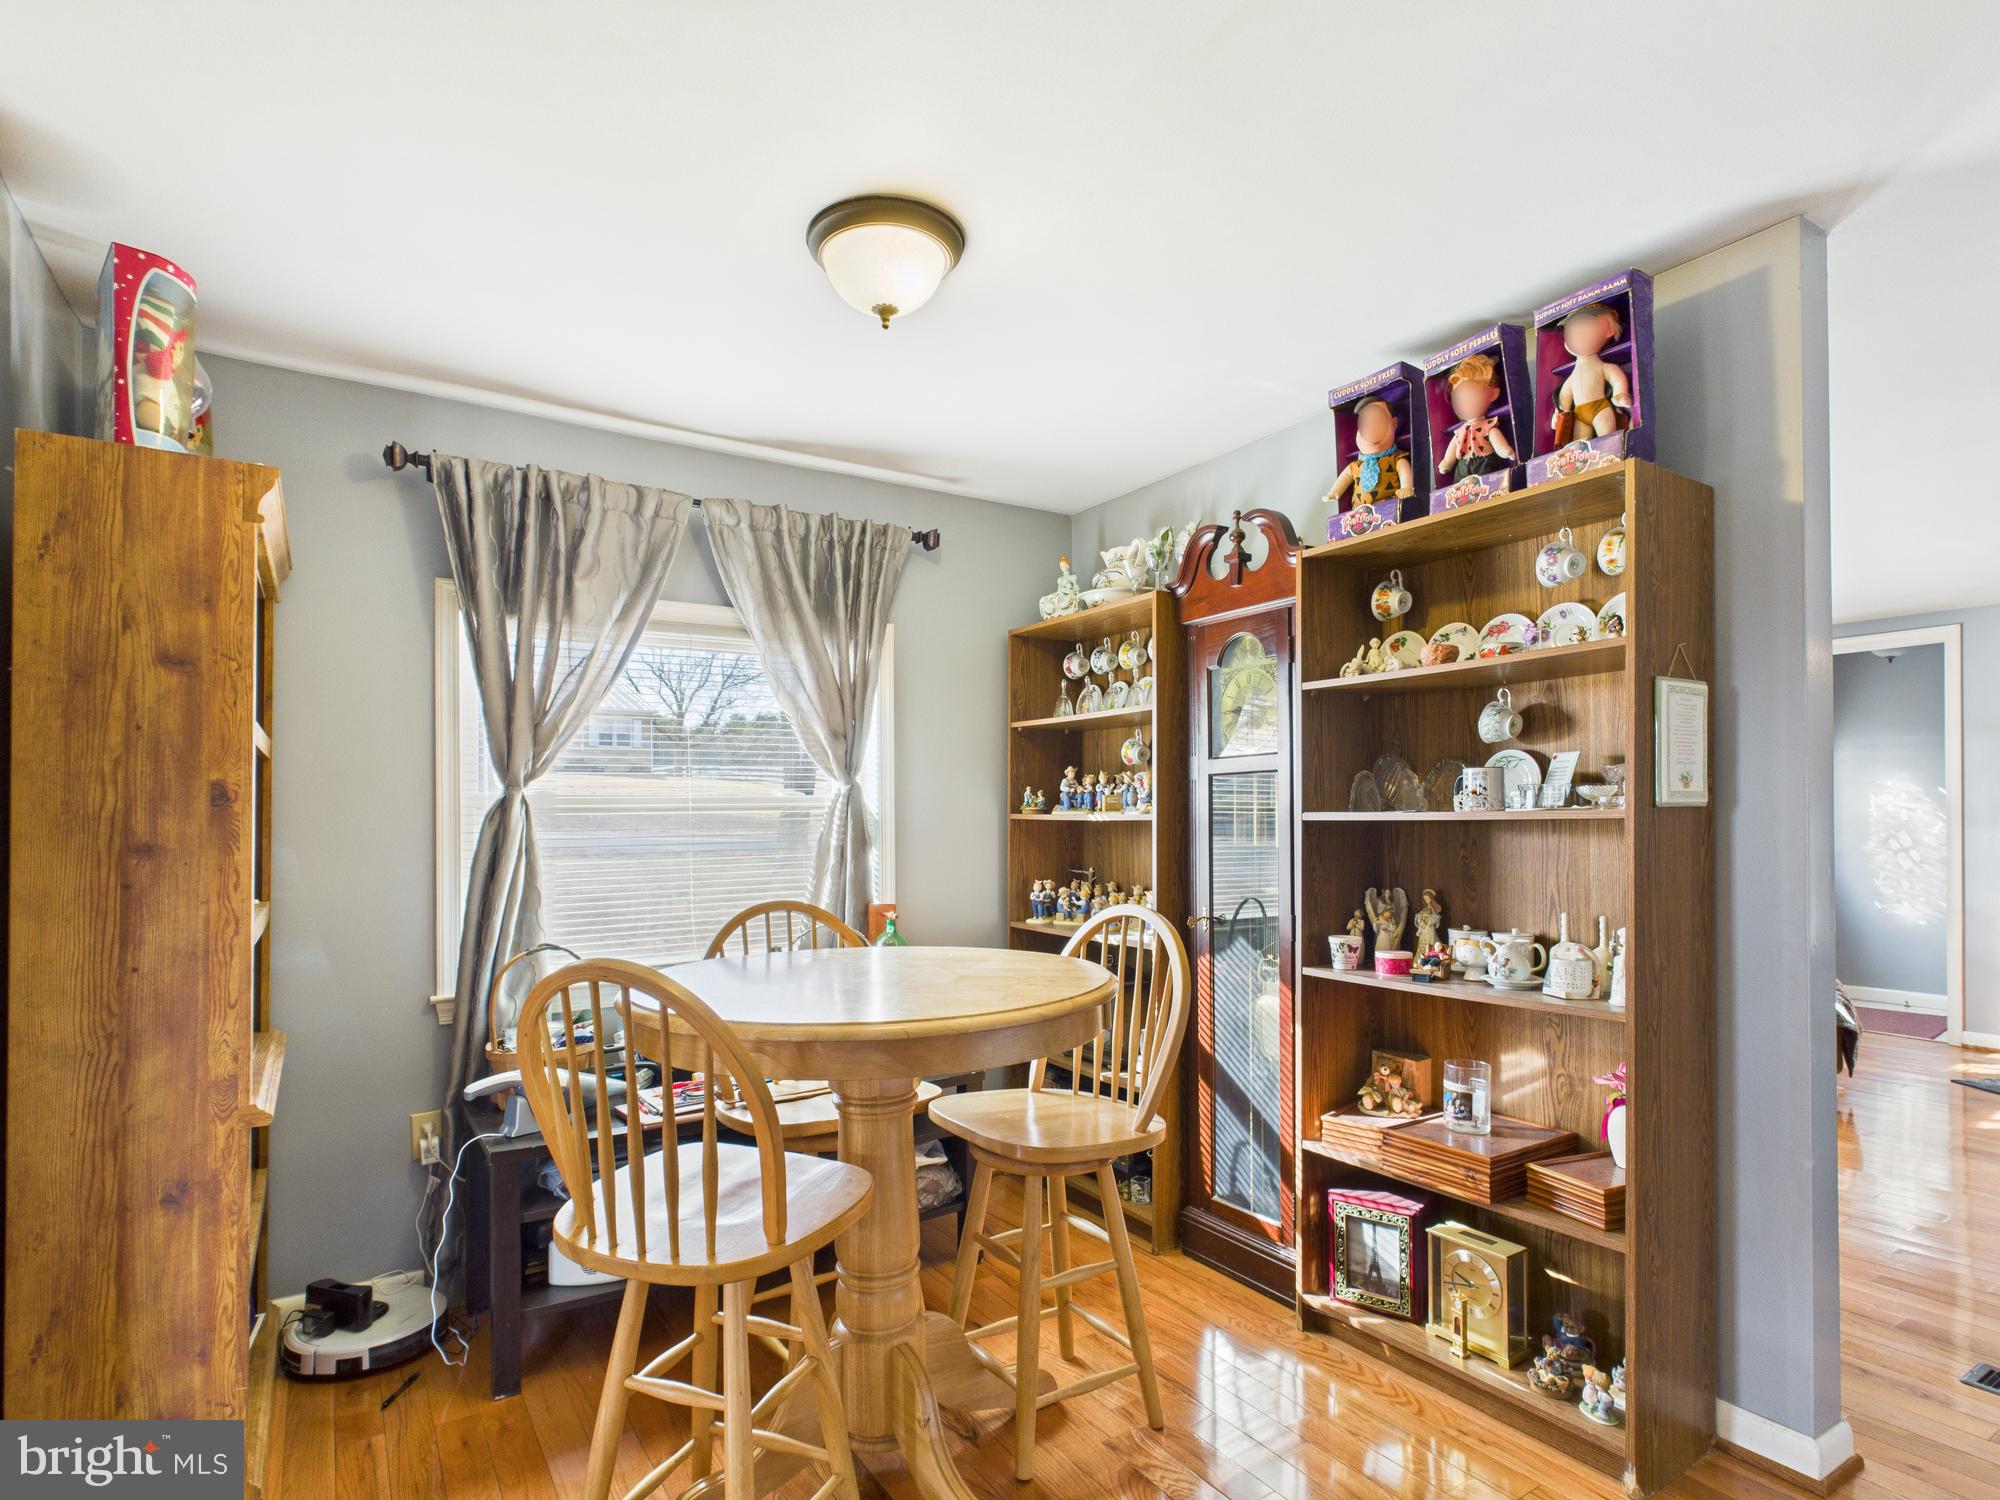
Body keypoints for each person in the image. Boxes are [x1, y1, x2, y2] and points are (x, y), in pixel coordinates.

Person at [1553, 303, 1632, 443]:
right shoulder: (1574, 374)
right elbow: (1565, 393)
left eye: (1583, 330)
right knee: (1580, 447)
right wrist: (1559, 413)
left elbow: (1614, 374)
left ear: (1607, 329)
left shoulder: (1601, 366)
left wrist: (1621, 393)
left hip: (1600, 408)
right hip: (1579, 414)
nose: (1576, 336)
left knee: (1607, 441)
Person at [1323, 397, 1413, 511]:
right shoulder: (1355, 465)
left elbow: (1405, 472)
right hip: (1359, 513)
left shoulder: (1396, 459)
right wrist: (1334, 492)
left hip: (1389, 506)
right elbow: (1345, 476)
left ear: (1394, 424)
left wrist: (1406, 488)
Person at [1435, 354, 1516, 479]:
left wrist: (1504, 450)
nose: (1465, 403)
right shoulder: (1459, 432)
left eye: (1472, 396)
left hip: (1484, 461)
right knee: (1461, 485)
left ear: (1493, 394)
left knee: (1487, 481)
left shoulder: (1488, 426)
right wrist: (1447, 461)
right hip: (1463, 463)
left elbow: (1495, 438)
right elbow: (1454, 446)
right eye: (1459, 399)